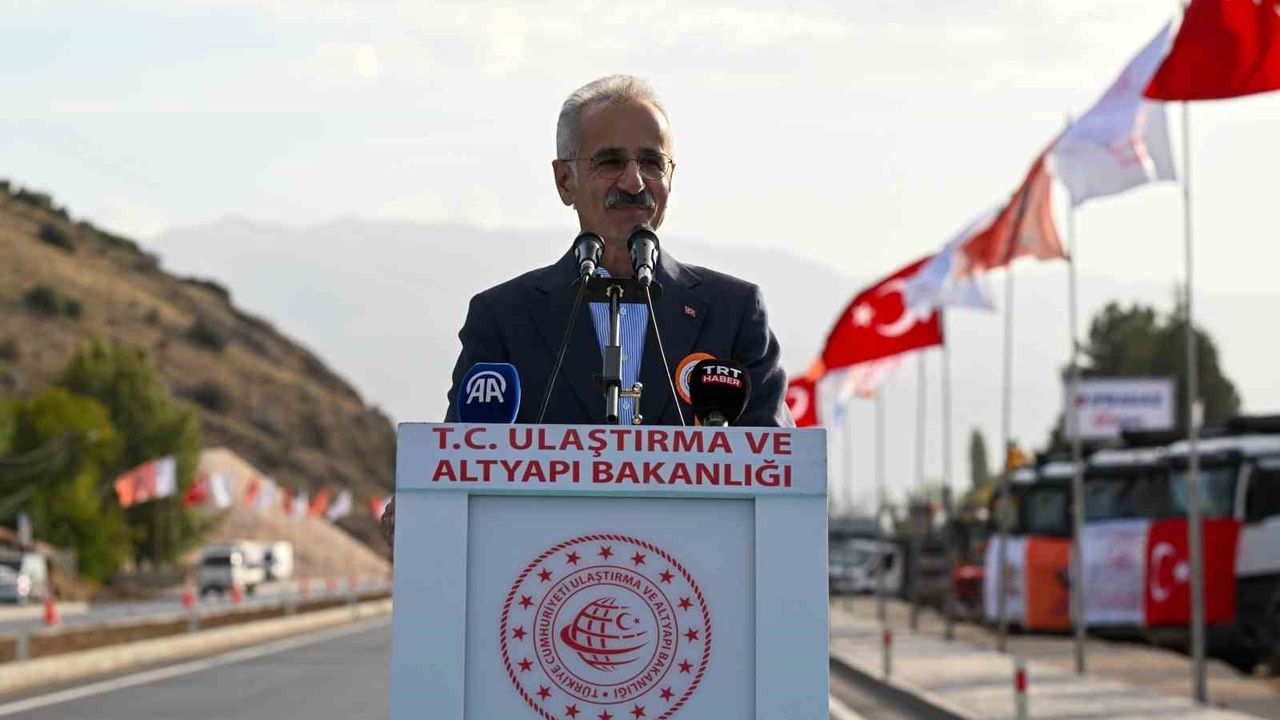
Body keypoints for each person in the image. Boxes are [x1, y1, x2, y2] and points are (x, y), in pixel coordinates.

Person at [381, 75, 791, 547]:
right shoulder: (504, 318)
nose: (634, 182)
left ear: (671, 177)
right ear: (564, 180)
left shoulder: (733, 312)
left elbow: (778, 469)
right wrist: (427, 500)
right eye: (610, 162)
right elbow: (464, 455)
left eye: (651, 162)